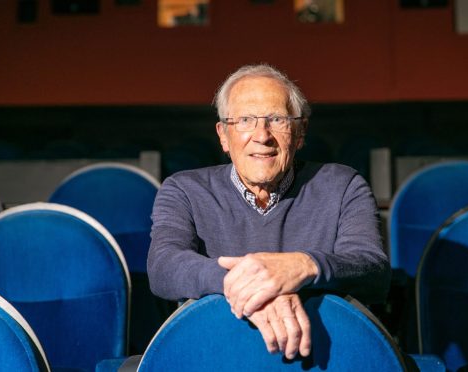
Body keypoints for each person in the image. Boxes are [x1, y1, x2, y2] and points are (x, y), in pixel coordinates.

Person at [148, 64, 390, 360]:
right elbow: (163, 266)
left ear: (299, 133)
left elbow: (372, 270)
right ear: (224, 135)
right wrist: (252, 284)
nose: (262, 135)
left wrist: (303, 266)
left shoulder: (344, 185)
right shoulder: (183, 189)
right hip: (214, 357)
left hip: (325, 359)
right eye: (246, 120)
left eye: (277, 119)